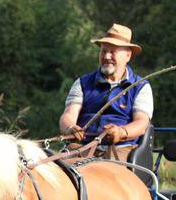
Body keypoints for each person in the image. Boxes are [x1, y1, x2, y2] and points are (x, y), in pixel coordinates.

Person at [59, 23, 152, 161]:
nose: (107, 56)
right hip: (81, 147)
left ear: (127, 55)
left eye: (113, 52)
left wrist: (121, 132)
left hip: (121, 149)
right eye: (103, 51)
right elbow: (68, 115)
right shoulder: (82, 83)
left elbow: (141, 123)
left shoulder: (140, 87)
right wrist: (70, 128)